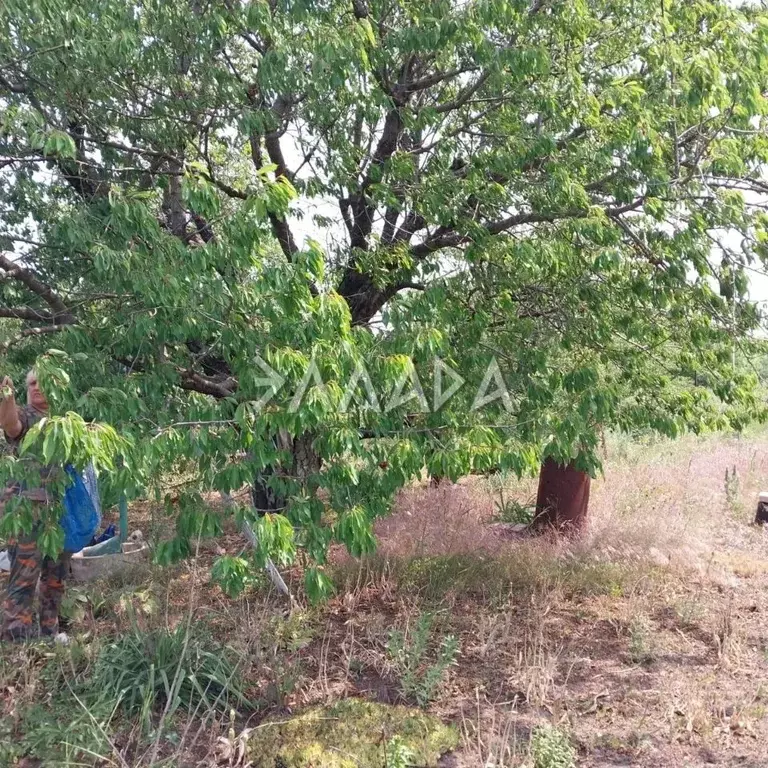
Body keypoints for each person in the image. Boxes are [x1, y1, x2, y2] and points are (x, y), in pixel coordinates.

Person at [0, 370, 69, 642]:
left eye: (42, 381)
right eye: (31, 383)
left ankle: (49, 632)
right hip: (27, 513)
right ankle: (17, 639)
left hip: (57, 514)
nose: (36, 387)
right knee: (24, 578)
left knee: (56, 578)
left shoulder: (62, 422)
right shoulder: (27, 416)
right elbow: (9, 423)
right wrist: (6, 396)